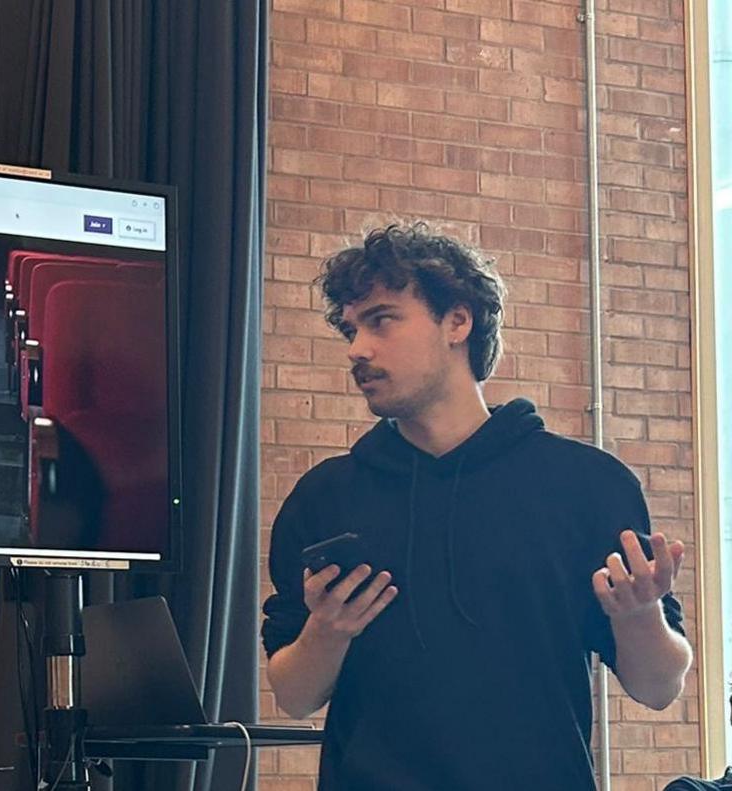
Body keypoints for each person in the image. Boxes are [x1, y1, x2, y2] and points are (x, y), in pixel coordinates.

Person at [261, 222, 691, 789]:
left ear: (457, 322)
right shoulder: (325, 497)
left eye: (381, 320)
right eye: (350, 328)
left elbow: (659, 688)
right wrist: (328, 630)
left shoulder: (586, 484)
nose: (357, 348)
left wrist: (639, 613)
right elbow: (293, 697)